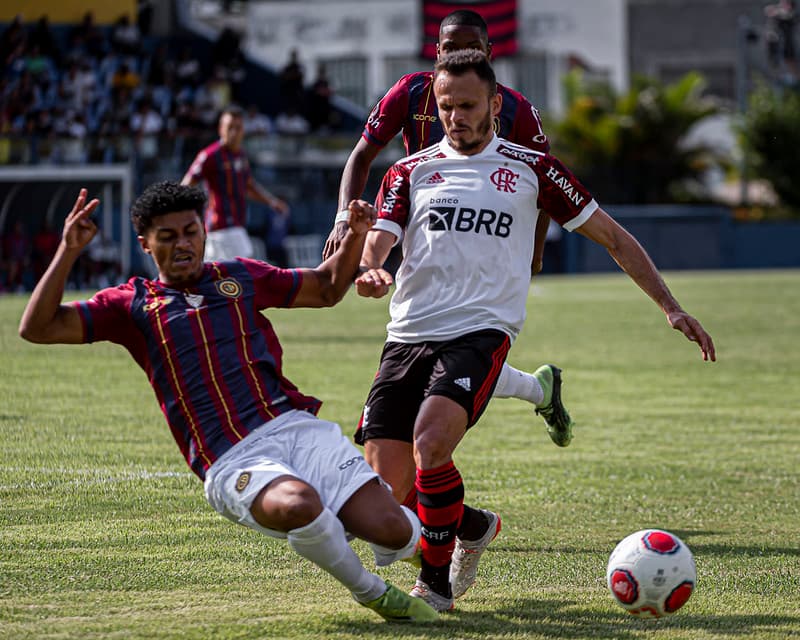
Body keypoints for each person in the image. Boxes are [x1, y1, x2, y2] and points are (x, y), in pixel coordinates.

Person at [353, 50, 716, 612]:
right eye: (446, 107)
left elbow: (614, 238)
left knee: (430, 443)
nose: (456, 116)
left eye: (468, 105)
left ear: (496, 104)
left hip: (480, 332)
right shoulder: (410, 170)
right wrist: (372, 268)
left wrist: (670, 306)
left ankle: (434, 584)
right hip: (407, 334)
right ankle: (472, 527)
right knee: (390, 495)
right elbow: (380, 239)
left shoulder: (532, 168)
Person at [18, 182, 437, 624]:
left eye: (190, 231)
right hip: (232, 458)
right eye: (168, 236)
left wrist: (355, 234)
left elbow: (328, 286)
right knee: (300, 505)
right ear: (145, 244)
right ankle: (373, 593)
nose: (183, 243)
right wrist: (67, 251)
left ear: (203, 231)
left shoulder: (238, 277)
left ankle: (427, 540)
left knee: (394, 529)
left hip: (295, 428)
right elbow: (38, 327)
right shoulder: (132, 305)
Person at [321, 9, 570, 452]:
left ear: (489, 55)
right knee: (438, 351)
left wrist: (535, 252)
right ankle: (538, 390)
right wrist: (344, 218)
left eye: (470, 48)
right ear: (436, 53)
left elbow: (543, 189)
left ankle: (428, 488)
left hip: (482, 232)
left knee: (454, 349)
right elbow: (361, 155)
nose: (459, 56)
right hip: (419, 219)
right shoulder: (410, 91)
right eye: (450, 49)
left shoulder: (514, 108)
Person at [182, 105, 290, 261]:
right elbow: (186, 184)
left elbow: (248, 186)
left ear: (243, 131)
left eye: (238, 128)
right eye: (230, 127)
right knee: (240, 275)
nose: (234, 132)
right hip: (219, 229)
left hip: (237, 227)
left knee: (233, 277)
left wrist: (272, 202)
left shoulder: (241, 156)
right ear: (221, 129)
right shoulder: (210, 156)